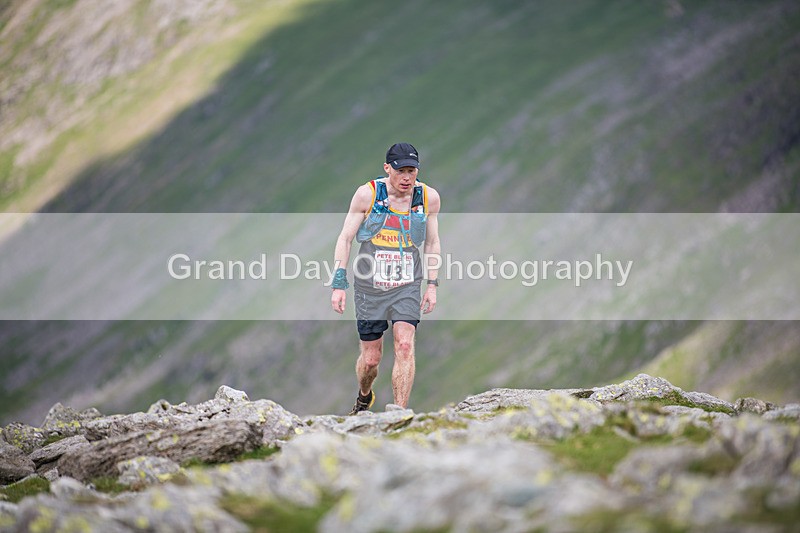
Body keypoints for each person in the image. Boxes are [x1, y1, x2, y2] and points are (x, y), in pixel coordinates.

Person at [331, 142, 441, 414]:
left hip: (407, 283)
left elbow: (432, 242)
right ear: (387, 168)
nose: (407, 177)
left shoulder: (428, 198)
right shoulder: (367, 194)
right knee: (371, 360)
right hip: (370, 285)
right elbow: (345, 238)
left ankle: (399, 414)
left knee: (404, 344)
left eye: (412, 171)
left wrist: (432, 285)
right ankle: (364, 395)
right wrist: (339, 283)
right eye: (401, 170)